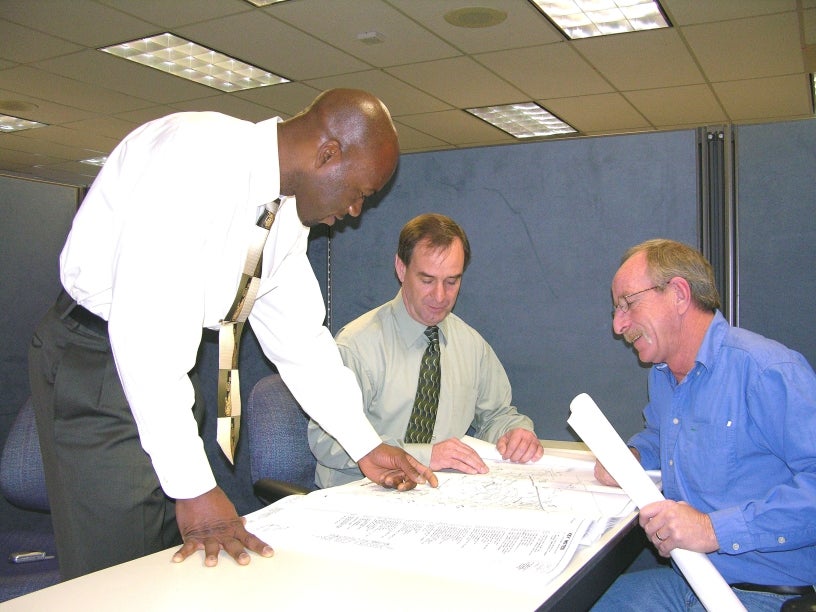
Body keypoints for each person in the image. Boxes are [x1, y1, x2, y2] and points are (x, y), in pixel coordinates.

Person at [28, 88, 438, 581]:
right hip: (99, 360)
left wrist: (365, 444)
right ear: (327, 154)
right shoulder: (193, 160)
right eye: (360, 193)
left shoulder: (281, 215)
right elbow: (147, 337)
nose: (355, 211)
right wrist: (195, 488)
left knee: (166, 562)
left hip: (168, 373)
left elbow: (302, 342)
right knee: (119, 574)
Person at [591, 239, 816, 611]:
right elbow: (664, 437)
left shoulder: (767, 372)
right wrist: (630, 457)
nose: (619, 326)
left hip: (764, 592)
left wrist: (713, 530)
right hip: (690, 576)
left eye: (628, 304)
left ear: (679, 294)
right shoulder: (663, 376)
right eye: (617, 310)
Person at [308, 213, 543, 488]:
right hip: (362, 493)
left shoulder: (471, 346)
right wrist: (423, 456)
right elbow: (325, 439)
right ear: (400, 268)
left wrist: (515, 433)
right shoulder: (357, 345)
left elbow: (497, 414)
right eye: (427, 280)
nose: (440, 296)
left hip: (439, 498)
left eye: (452, 281)